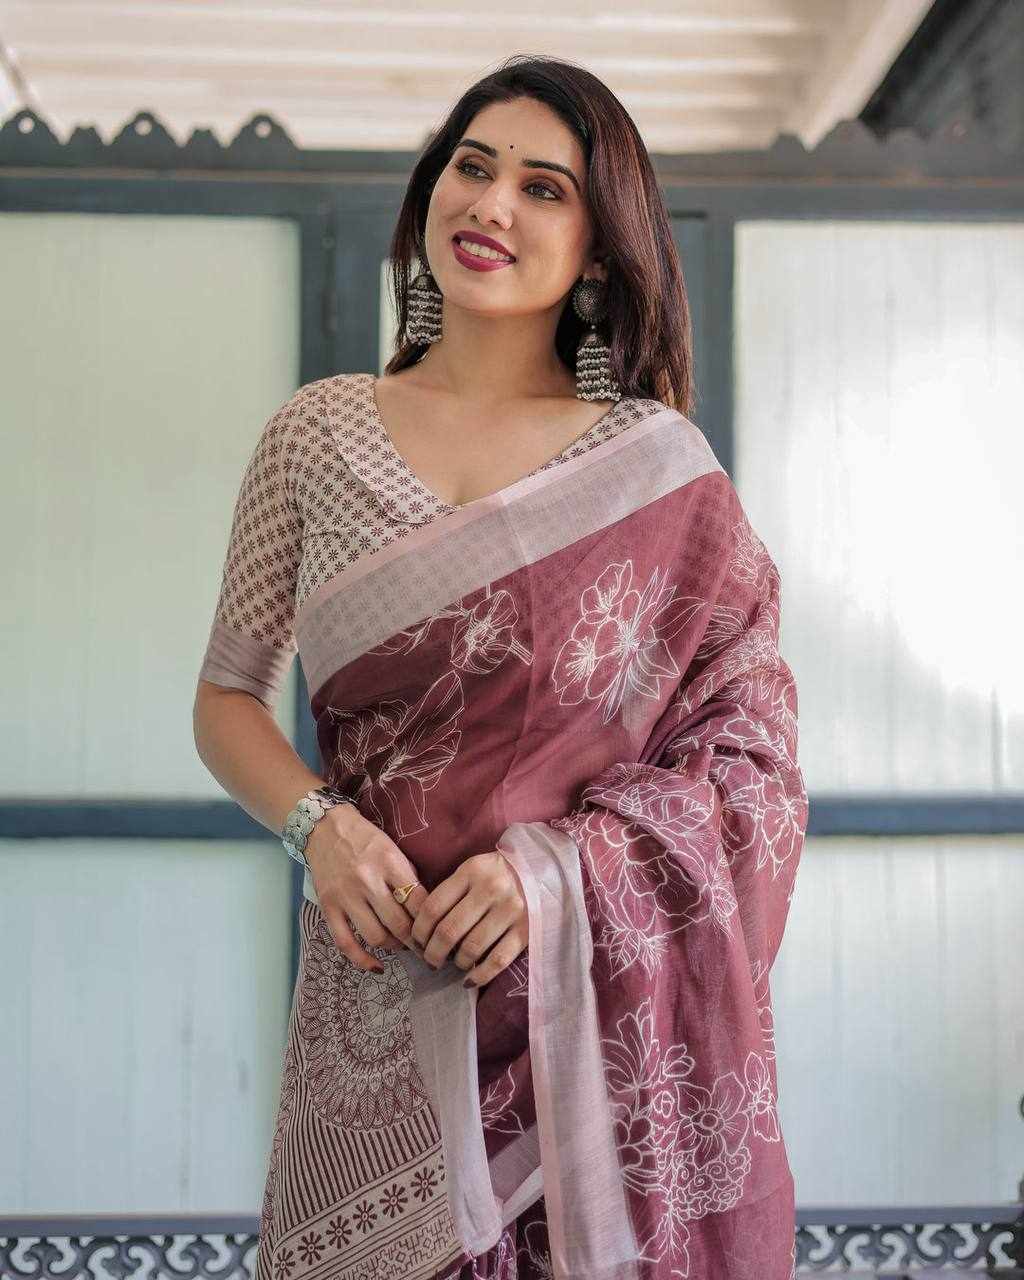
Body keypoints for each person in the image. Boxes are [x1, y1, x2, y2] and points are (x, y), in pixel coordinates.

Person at [194, 54, 808, 1280]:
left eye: (543, 188)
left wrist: (556, 873)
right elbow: (226, 697)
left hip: (574, 1019)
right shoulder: (313, 434)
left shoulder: (655, 468)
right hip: (377, 997)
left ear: (598, 251)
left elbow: (751, 759)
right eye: (472, 168)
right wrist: (319, 826)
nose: (491, 205)